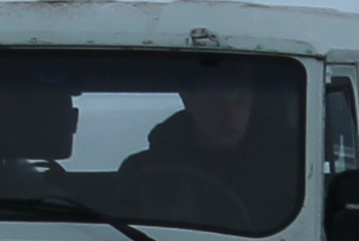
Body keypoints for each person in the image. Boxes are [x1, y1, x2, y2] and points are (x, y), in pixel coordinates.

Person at [116, 66, 300, 230]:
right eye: (216, 102)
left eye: (240, 102)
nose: (230, 114)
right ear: (189, 101)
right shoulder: (143, 172)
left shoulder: (290, 172)